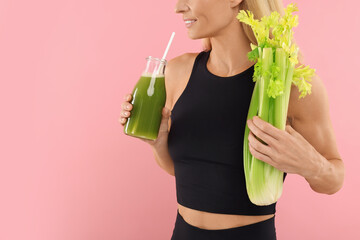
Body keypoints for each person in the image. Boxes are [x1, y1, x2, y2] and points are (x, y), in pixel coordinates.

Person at [119, 0, 345, 239]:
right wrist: (158, 143)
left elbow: (334, 180)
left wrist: (310, 164)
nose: (178, 8)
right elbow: (184, 172)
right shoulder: (175, 73)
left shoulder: (291, 84)